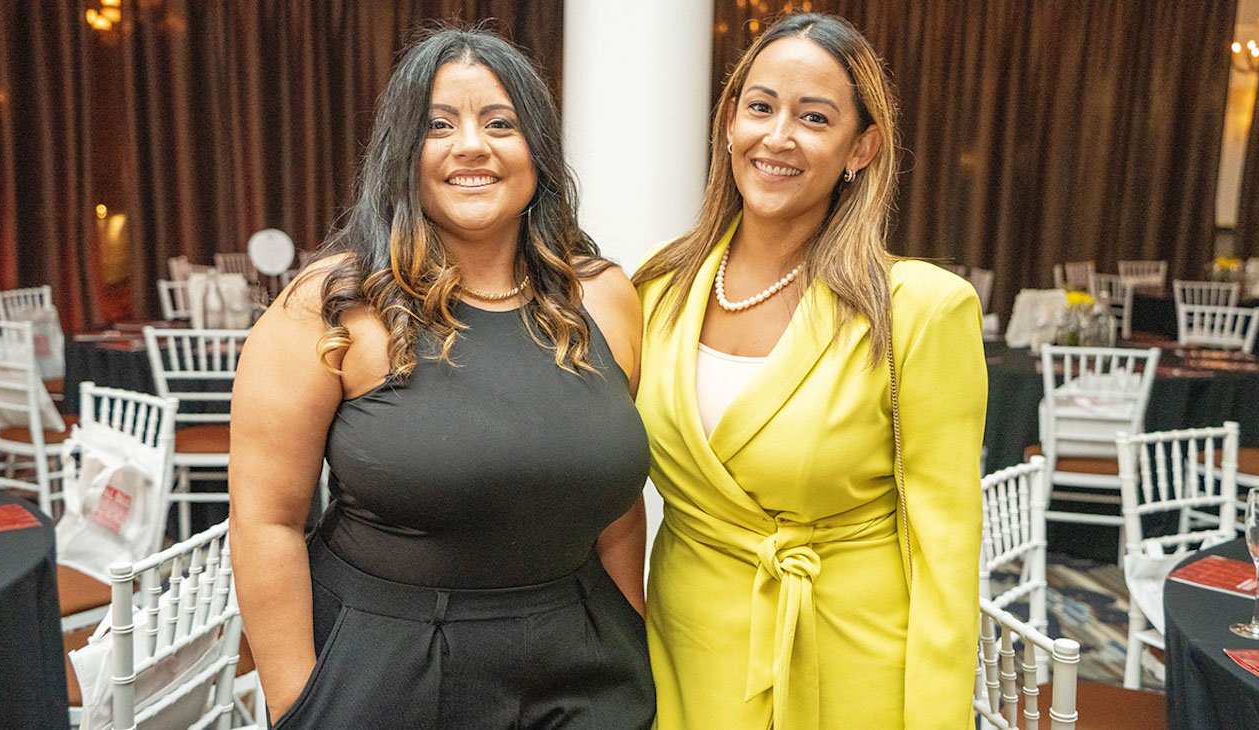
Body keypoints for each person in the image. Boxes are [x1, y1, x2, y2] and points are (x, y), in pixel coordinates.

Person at [229, 28, 654, 729]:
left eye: (500, 123)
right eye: (438, 124)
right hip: (388, 665)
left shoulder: (603, 297)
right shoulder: (330, 308)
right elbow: (265, 520)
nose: (471, 146)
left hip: (585, 664)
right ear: (403, 152)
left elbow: (614, 501)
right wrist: (295, 703)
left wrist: (627, 633)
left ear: (538, 152)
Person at [632, 13, 987, 729]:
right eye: (760, 107)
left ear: (861, 147)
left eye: (814, 117)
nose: (778, 136)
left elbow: (946, 558)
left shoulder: (919, 309)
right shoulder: (655, 291)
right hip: (683, 661)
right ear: (730, 121)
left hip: (848, 673)